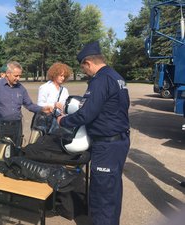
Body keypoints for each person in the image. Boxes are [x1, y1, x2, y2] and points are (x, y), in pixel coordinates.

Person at [57, 41, 130, 225]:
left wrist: (63, 120)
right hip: (119, 141)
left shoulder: (100, 80)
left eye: (83, 68)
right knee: (112, 191)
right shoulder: (116, 77)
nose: (85, 72)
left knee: (102, 196)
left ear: (88, 63)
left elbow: (87, 114)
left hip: (106, 145)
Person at [0, 61, 52, 148]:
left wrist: (42, 109)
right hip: (1, 125)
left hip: (17, 125)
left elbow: (29, 105)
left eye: (20, 76)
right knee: (0, 152)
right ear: (8, 74)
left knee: (16, 150)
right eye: (16, 76)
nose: (18, 78)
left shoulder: (21, 88)